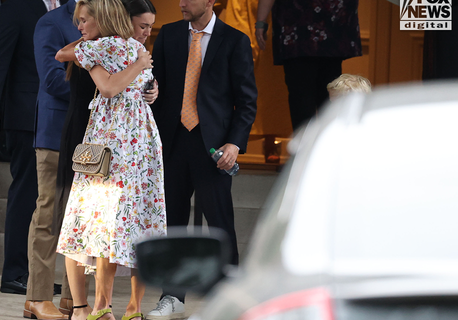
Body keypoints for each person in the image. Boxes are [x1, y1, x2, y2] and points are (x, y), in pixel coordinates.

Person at [55, 0, 166, 319]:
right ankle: (118, 307)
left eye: (84, 20)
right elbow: (73, 60)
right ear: (124, 19)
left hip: (116, 141)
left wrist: (150, 84)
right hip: (131, 139)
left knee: (106, 222)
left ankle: (103, 307)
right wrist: (140, 66)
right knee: (133, 219)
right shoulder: (127, 50)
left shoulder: (111, 48)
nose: (147, 32)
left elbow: (66, 56)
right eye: (142, 25)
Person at [147, 0, 257, 318]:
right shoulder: (167, 34)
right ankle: (172, 297)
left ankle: (228, 300)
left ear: (211, 1)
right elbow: (158, 87)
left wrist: (235, 144)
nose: (181, 3)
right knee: (172, 223)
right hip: (172, 142)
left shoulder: (235, 40)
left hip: (214, 148)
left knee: (220, 224)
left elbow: (246, 100)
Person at [0, 0, 65, 295]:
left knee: (50, 200)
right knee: (27, 192)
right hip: (25, 114)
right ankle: (14, 273)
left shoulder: (74, 8)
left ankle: (36, 276)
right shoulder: (16, 7)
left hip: (60, 116)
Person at [22, 0, 80, 319]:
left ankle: (74, 299)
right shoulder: (52, 22)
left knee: (82, 217)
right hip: (56, 133)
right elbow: (53, 80)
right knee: (49, 214)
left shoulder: (108, 21)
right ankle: (38, 296)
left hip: (92, 135)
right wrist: (104, 88)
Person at [255, 0, 362, 130]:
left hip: (298, 25)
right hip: (331, 22)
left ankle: (306, 145)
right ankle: (326, 143)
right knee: (328, 93)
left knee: (302, 95)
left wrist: (261, 21)